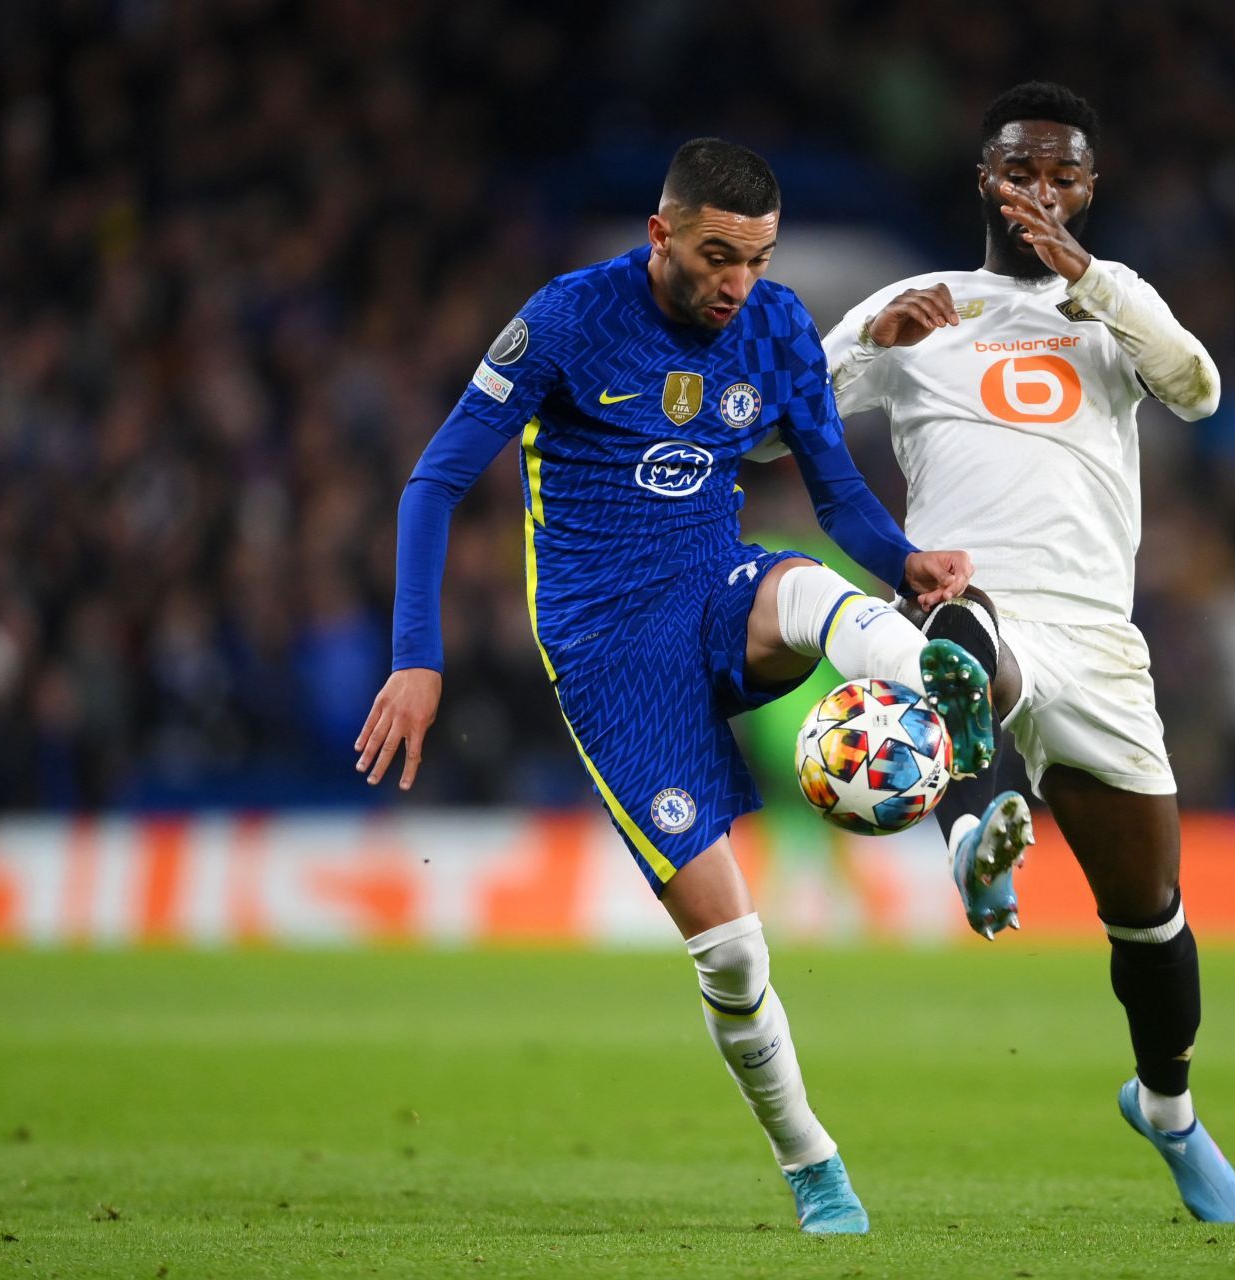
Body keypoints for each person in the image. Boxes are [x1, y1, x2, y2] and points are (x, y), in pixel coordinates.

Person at [353, 138, 997, 1235]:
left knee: (798, 579)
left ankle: (936, 671)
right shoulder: (566, 319)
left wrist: (905, 563)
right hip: (608, 651)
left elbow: (836, 494)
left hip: (713, 579)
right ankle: (813, 1162)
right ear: (661, 236)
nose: (736, 283)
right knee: (734, 954)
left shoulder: (777, 323)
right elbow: (433, 483)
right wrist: (419, 654)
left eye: (756, 258)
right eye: (716, 257)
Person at [821, 83, 1235, 1223]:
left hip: (1099, 640)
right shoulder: (923, 304)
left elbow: (1199, 390)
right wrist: (868, 338)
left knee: (1151, 915)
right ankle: (973, 833)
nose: (1041, 193)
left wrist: (1092, 280)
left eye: (1064, 176)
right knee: (958, 638)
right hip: (979, 599)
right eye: (1022, 172)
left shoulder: (1111, 302)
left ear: (1090, 190)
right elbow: (776, 426)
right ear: (984, 178)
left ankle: (1167, 1109)